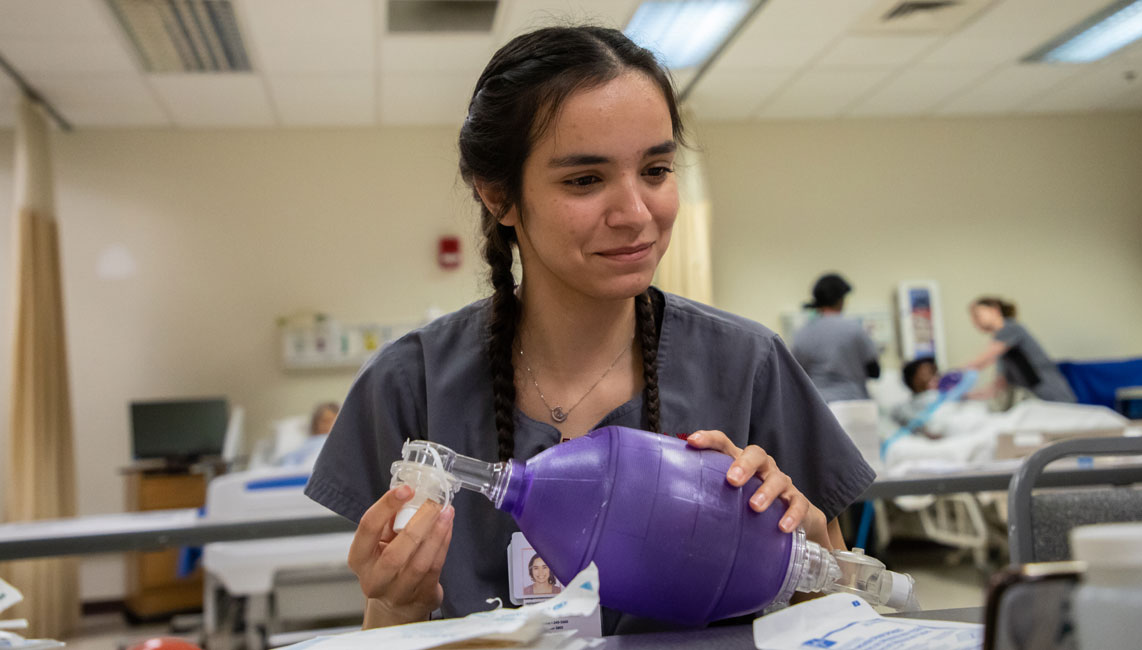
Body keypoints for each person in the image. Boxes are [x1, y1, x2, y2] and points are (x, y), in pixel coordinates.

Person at [304, 25, 874, 634]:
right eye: (585, 180)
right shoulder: (409, 384)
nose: (635, 213)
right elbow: (387, 630)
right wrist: (396, 604)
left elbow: (844, 619)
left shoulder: (746, 365)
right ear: (500, 196)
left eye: (656, 169)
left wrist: (806, 537)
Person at [965, 297, 1076, 403]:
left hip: (1053, 396)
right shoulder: (1004, 348)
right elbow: (1000, 383)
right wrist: (968, 396)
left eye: (977, 315)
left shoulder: (1009, 328)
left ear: (994, 310)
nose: (974, 321)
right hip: (1037, 399)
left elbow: (982, 361)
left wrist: (952, 376)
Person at [790, 273, 880, 402]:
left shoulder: (801, 333)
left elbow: (797, 373)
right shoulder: (855, 329)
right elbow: (874, 371)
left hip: (819, 405)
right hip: (853, 403)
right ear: (841, 299)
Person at [277, 401, 340, 467]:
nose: (328, 425)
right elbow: (288, 462)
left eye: (333, 421)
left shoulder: (340, 442)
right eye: (325, 421)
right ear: (316, 424)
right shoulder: (307, 444)